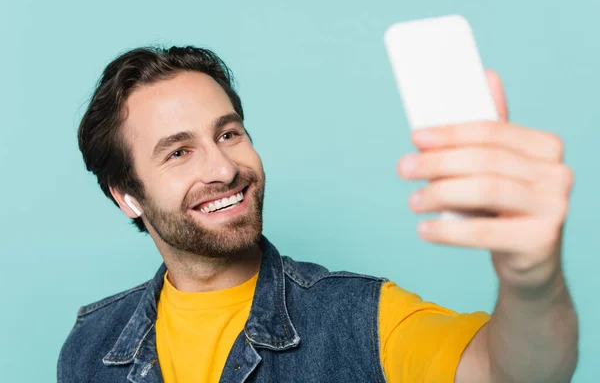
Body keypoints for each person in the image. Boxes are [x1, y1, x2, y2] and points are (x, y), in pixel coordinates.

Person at [58, 46, 578, 383]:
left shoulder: (360, 318)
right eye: (179, 152)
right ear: (127, 195)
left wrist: (532, 280)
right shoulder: (89, 346)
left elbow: (515, 373)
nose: (223, 167)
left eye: (228, 133)